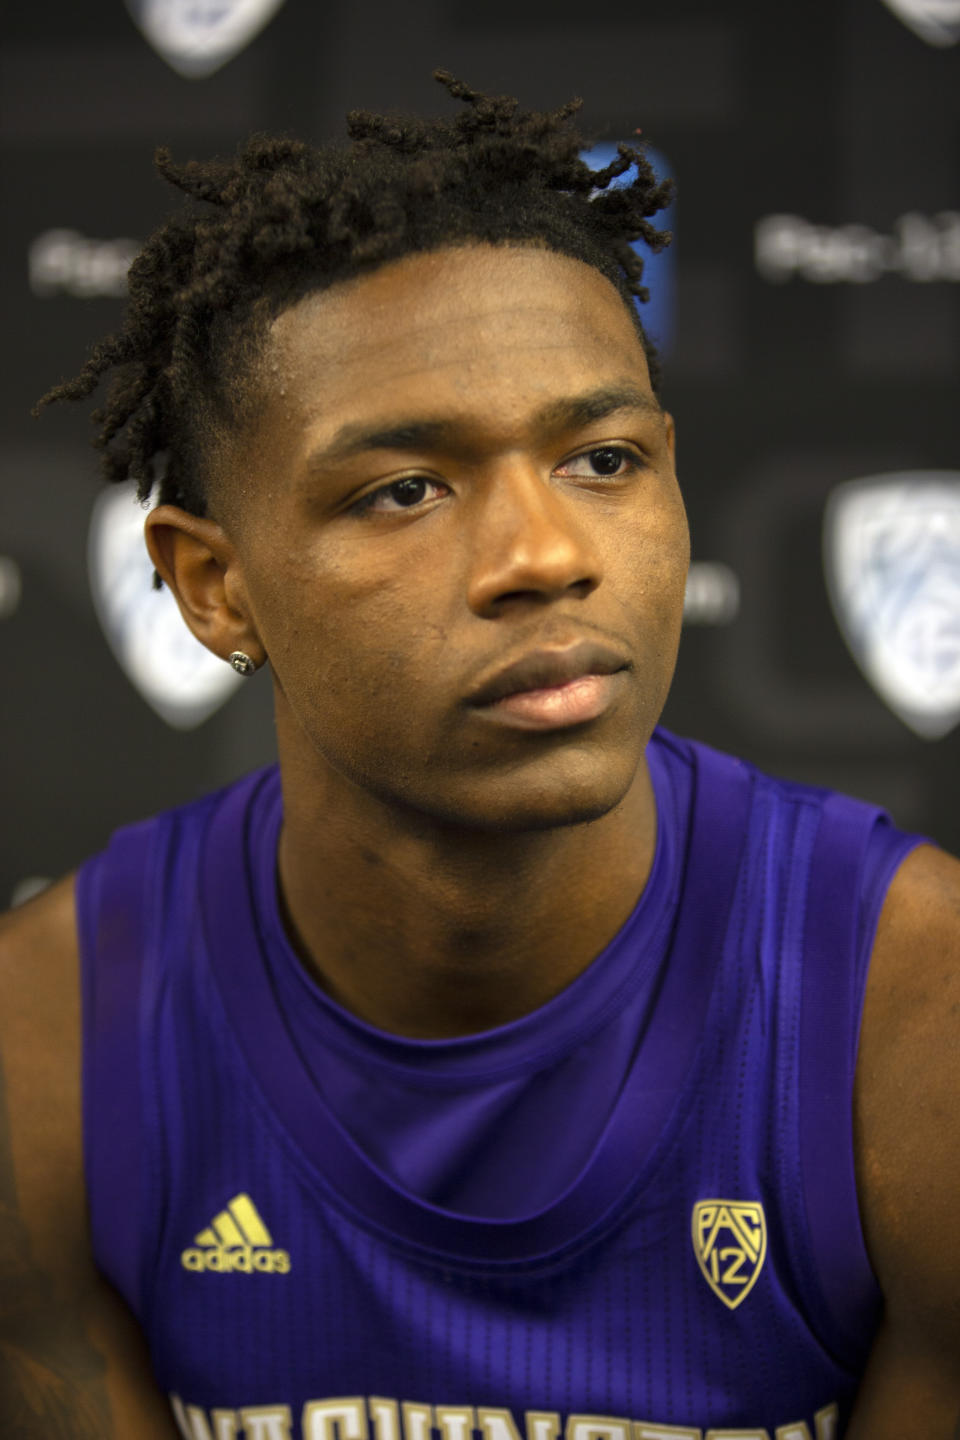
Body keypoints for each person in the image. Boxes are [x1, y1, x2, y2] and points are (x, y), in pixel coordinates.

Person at [1, 72, 958, 1440]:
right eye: (405, 489)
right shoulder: (44, 1050)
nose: (545, 558)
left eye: (604, 460)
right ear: (213, 586)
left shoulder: (917, 1022)